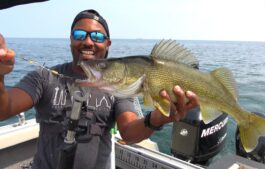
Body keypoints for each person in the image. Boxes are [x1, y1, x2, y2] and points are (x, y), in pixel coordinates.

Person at [0, 9, 199, 169]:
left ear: (107, 43)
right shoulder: (43, 77)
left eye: (96, 36)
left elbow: (129, 132)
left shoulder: (119, 84)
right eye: (79, 34)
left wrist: (158, 118)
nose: (88, 41)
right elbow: (4, 109)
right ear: (70, 39)